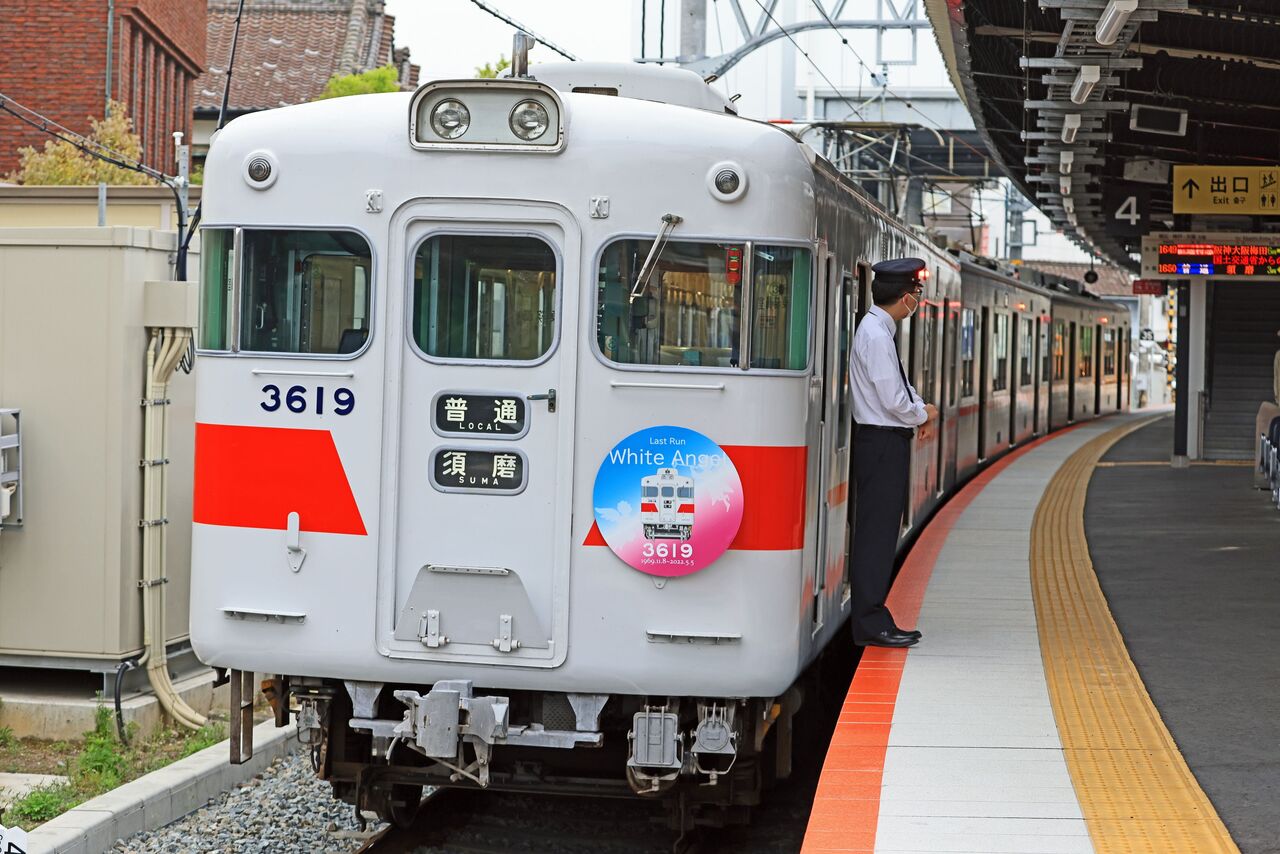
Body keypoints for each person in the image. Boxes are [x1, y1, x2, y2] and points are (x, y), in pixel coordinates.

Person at [848, 258, 938, 648]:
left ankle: (873, 617)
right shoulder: (878, 335)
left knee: (879, 531)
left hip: (880, 440)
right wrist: (922, 413)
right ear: (906, 297)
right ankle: (871, 622)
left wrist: (919, 410)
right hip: (882, 441)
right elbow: (892, 397)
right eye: (916, 296)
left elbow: (896, 386)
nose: (916, 303)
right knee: (877, 534)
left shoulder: (876, 330)